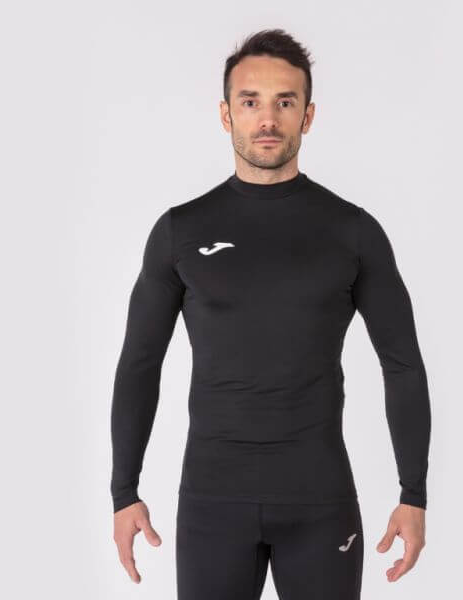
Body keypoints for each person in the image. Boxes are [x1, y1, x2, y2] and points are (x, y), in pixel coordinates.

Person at [110, 28, 431, 599]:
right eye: (250, 101)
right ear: (225, 114)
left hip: (320, 503)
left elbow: (402, 364)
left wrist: (414, 494)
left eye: (285, 102)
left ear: (308, 115)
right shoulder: (181, 231)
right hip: (212, 505)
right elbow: (139, 363)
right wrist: (123, 492)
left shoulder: (352, 232)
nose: (267, 119)